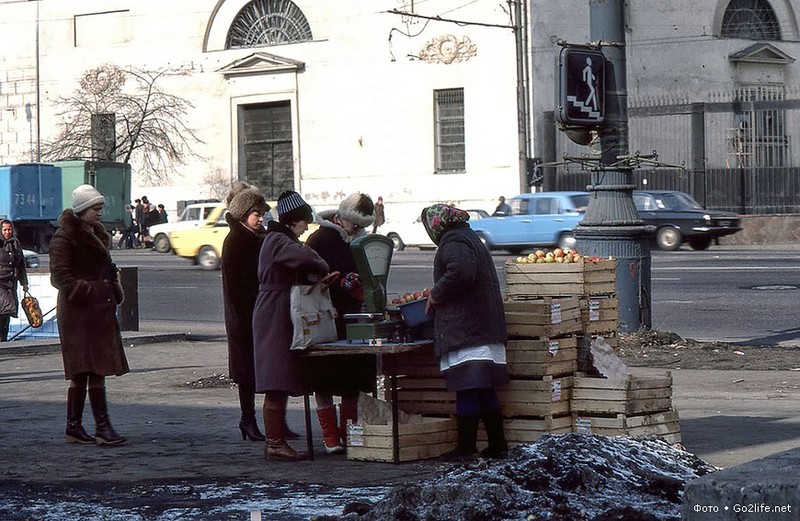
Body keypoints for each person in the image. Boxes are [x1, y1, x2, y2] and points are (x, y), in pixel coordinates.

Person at [421, 203, 509, 460]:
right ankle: (497, 446)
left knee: (468, 387)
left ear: (436, 224)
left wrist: (436, 293)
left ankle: (467, 449)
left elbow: (460, 272)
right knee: (483, 388)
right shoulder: (468, 237)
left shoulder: (454, 241)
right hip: (482, 327)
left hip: (468, 329)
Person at [252, 190, 331, 461]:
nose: (306, 227)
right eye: (303, 222)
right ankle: (274, 442)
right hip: (275, 310)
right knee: (276, 376)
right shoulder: (278, 240)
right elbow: (305, 257)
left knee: (281, 375)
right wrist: (320, 264)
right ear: (291, 221)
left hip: (278, 308)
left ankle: (276, 440)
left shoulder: (277, 239)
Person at [49, 184, 129, 446]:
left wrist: (111, 286)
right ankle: (91, 427)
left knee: (96, 369)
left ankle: (88, 427)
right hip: (78, 313)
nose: (100, 213)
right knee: (83, 370)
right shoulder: (65, 236)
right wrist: (84, 291)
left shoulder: (96, 233)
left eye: (100, 207)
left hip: (97, 311)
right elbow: (60, 276)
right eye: (96, 208)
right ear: (83, 210)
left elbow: (103, 268)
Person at [305, 193, 377, 454]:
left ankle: (347, 432)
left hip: (350, 316)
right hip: (324, 317)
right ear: (340, 218)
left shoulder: (355, 240)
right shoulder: (320, 239)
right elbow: (309, 275)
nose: (358, 230)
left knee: (352, 379)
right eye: (354, 225)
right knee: (323, 378)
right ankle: (330, 436)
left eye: (362, 227)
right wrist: (340, 281)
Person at [0, 220, 29, 342]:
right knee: (6, 308)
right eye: (5, 230)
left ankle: (3, 339)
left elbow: (21, 264)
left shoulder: (16, 244)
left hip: (12, 283)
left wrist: (24, 283)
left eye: (9, 229)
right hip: (0, 282)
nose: (7, 232)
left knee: (7, 312)